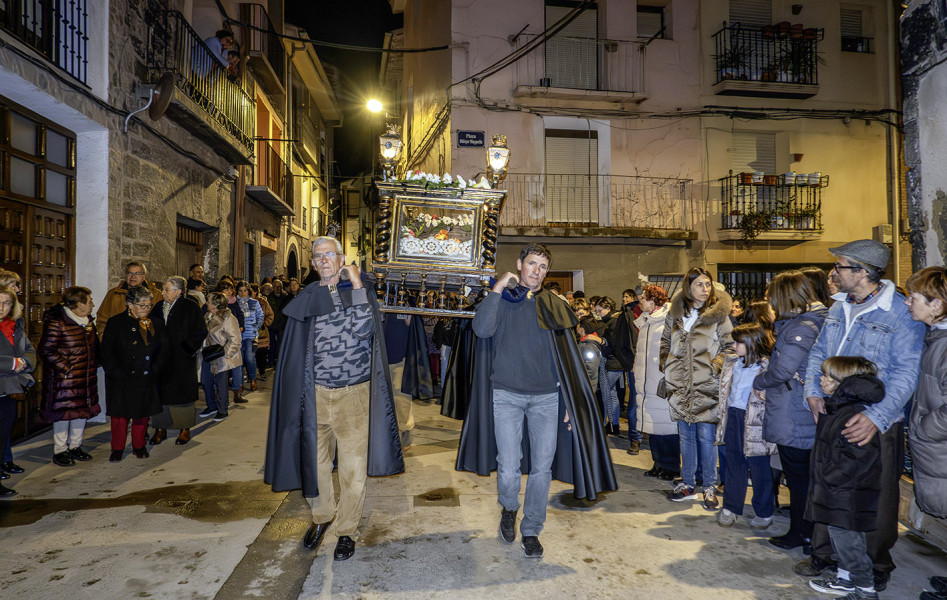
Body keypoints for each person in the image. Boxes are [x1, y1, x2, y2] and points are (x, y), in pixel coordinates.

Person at [457, 242, 616, 559]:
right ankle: (509, 508)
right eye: (532, 264)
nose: (537, 271)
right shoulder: (502, 300)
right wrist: (497, 289)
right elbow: (481, 329)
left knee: (542, 469)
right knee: (508, 467)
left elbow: (568, 360)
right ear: (519, 265)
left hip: (546, 398)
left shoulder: (553, 304)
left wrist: (571, 402)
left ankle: (531, 530)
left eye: (543, 266)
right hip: (506, 395)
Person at [264, 236, 403, 561]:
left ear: (341, 259)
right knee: (316, 464)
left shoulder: (359, 292)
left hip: (353, 395)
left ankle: (347, 530)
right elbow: (293, 352)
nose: (324, 260)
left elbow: (363, 331)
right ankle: (323, 516)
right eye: (319, 256)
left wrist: (356, 285)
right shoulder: (307, 296)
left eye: (331, 255)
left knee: (353, 470)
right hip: (314, 395)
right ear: (313, 264)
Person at [798, 240, 925, 591]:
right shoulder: (839, 307)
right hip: (833, 414)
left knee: (874, 497)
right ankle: (828, 557)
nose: (833, 273)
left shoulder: (898, 312)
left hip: (873, 419)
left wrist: (877, 417)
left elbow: (906, 373)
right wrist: (812, 391)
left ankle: (873, 565)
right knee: (827, 487)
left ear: (862, 272)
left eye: (839, 267)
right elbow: (818, 353)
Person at [755, 270, 828, 552]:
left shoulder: (800, 327)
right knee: (801, 479)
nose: (770, 304)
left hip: (794, 411)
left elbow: (784, 369)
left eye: (772, 298)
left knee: (799, 479)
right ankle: (804, 532)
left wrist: (759, 381)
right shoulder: (805, 323)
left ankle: (802, 533)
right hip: (796, 409)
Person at [806, 356, 885, 600]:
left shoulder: (852, 416)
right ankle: (845, 578)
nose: (822, 380)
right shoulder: (837, 408)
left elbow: (857, 460)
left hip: (845, 491)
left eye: (829, 377)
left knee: (850, 542)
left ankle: (865, 589)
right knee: (840, 539)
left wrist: (831, 479)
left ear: (845, 384)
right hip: (836, 490)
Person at [661, 267, 734, 510]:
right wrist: (666, 364)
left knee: (706, 438)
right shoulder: (675, 314)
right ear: (688, 287)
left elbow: (730, 347)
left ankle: (710, 487)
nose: (705, 289)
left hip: (706, 386)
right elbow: (664, 342)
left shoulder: (719, 316)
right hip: (680, 386)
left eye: (708, 284)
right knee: (686, 438)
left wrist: (714, 367)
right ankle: (688, 484)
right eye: (699, 284)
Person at [715, 322, 777, 528]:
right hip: (733, 415)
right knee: (734, 462)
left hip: (756, 422)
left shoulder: (767, 367)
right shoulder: (732, 362)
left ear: (752, 343)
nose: (734, 344)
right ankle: (731, 507)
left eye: (738, 341)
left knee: (759, 466)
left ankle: (764, 510)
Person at [99, 286, 167, 462]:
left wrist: (156, 369)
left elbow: (164, 349)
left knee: (141, 413)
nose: (145, 308)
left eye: (148, 305)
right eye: (141, 305)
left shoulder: (155, 323)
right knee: (120, 415)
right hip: (122, 377)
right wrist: (115, 371)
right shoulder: (116, 323)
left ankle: (139, 445)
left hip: (145, 375)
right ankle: (118, 447)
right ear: (130, 304)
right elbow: (106, 351)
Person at [39, 287, 100, 467]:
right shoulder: (57, 322)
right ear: (80, 304)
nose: (92, 304)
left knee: (80, 413)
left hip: (85, 377)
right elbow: (46, 350)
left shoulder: (88, 322)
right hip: (64, 380)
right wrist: (66, 369)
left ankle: (75, 446)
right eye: (90, 301)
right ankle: (60, 450)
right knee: (63, 414)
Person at [904, 267, 947, 518]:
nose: (907, 302)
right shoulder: (934, 338)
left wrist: (924, 428)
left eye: (914, 297)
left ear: (937, 305)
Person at [148, 276, 207, 446]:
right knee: (161, 395)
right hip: (161, 359)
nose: (163, 292)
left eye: (166, 289)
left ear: (178, 291)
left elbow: (201, 331)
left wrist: (188, 349)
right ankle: (160, 428)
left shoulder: (190, 307)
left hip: (182, 359)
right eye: (163, 289)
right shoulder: (159, 307)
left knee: (183, 396)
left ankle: (184, 428)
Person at [634, 284, 679, 478]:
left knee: (666, 428)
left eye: (643, 298)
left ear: (655, 300)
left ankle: (671, 467)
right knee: (652, 427)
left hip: (660, 382)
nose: (639, 301)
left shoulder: (668, 320)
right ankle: (658, 464)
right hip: (646, 383)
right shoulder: (645, 321)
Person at [0, 287, 35, 496]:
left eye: (7, 303)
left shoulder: (15, 325)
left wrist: (24, 361)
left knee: (2, 435)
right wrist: (13, 363)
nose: (2, 307)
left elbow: (30, 351)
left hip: (10, 389)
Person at [199, 292, 242, 422]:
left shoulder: (228, 318)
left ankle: (222, 410)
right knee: (206, 382)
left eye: (209, 301)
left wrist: (225, 354)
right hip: (208, 354)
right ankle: (211, 406)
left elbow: (235, 339)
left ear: (215, 304)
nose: (206, 303)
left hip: (221, 356)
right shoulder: (207, 315)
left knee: (221, 384)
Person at [0, 270, 26, 476]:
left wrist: (25, 361)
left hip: (9, 383)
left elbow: (27, 348)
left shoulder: (16, 321)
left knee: (5, 427)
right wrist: (13, 363)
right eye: (13, 285)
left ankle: (6, 460)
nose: (18, 290)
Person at [594, 296, 632, 436]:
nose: (598, 313)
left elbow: (613, 342)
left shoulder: (613, 322)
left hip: (611, 363)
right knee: (611, 395)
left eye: (600, 310)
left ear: (608, 308)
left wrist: (600, 341)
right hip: (616, 364)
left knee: (604, 395)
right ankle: (614, 425)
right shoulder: (613, 321)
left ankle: (605, 426)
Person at [96, 261, 162, 338]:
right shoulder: (113, 294)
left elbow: (160, 321)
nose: (133, 277)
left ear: (144, 276)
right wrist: (105, 338)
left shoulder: (156, 295)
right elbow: (102, 320)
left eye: (137, 273)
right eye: (130, 273)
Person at [235, 281, 264, 391]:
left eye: (245, 290)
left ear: (249, 291)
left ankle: (253, 378)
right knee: (240, 359)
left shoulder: (254, 303)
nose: (243, 293)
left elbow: (260, 316)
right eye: (240, 291)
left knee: (249, 357)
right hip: (237, 334)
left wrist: (255, 327)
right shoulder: (234, 303)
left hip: (250, 334)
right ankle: (240, 382)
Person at [251, 284, 274, 382]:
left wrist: (265, 323)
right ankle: (251, 374)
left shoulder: (263, 302)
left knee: (262, 354)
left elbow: (270, 314)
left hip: (262, 333)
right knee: (251, 354)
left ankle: (262, 371)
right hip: (250, 332)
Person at [266, 278, 289, 366]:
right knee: (271, 343)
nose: (277, 288)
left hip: (281, 324)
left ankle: (279, 361)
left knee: (280, 344)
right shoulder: (269, 298)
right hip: (271, 324)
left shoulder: (285, 298)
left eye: (279, 287)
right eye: (275, 286)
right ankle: (271, 360)